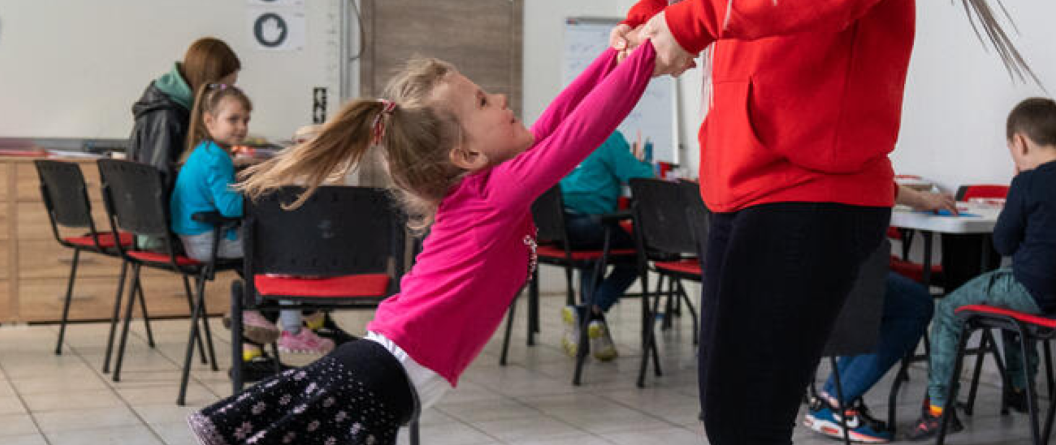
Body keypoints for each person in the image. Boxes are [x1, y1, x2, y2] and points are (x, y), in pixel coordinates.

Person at [610, 0, 1028, 442]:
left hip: (808, 192)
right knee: (734, 418)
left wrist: (696, 21)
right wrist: (647, 19)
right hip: (741, 183)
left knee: (745, 421)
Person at [186, 43, 658, 445]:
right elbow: (582, 132)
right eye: (483, 102)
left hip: (377, 378)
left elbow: (559, 120)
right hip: (371, 382)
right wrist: (650, 55)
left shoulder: (488, 189)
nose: (501, 97)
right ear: (466, 154)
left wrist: (619, 55)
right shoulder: (492, 196)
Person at [908, 98, 1056, 439]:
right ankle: (1020, 391)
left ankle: (938, 410)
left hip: (1035, 293)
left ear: (1019, 142)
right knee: (1011, 305)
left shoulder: (1027, 183)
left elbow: (1002, 244)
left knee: (949, 309)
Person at [170, 83, 335, 359]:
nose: (241, 127)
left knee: (272, 248)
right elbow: (231, 207)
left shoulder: (205, 151)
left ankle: (264, 316)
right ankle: (289, 330)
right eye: (232, 119)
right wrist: (259, 191)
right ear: (209, 121)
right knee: (283, 255)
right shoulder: (217, 159)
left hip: (197, 237)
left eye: (245, 120)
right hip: (207, 241)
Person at [804, 185, 955, 443]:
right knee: (915, 305)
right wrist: (922, 199)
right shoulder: (851, 151)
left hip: (792, 258)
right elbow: (880, 183)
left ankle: (832, 398)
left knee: (883, 301)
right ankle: (837, 402)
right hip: (836, 259)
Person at [557, 129, 655, 361]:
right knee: (638, 252)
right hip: (588, 224)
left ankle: (596, 334)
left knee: (594, 259)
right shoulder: (607, 136)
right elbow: (636, 175)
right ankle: (590, 309)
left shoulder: (565, 134)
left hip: (559, 227)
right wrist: (648, 166)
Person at [127, 37, 241, 194]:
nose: (226, 95)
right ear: (208, 82)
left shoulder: (175, 109)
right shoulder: (167, 116)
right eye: (223, 87)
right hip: (175, 214)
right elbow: (161, 187)